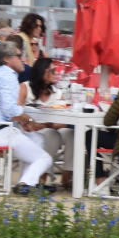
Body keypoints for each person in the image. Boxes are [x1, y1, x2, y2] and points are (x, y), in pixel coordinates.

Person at [0, 42, 54, 194]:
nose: (23, 59)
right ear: (7, 59)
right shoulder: (7, 75)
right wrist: (28, 120)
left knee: (36, 139)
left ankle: (28, 181)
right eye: (18, 56)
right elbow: (10, 109)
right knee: (45, 159)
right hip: (0, 133)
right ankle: (26, 184)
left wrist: (24, 120)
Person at [19, 57, 74, 188]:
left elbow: (65, 119)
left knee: (72, 134)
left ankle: (67, 175)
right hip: (30, 128)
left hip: (52, 126)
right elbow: (17, 110)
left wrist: (46, 125)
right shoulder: (25, 87)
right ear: (42, 72)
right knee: (52, 135)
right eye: (53, 70)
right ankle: (41, 177)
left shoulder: (57, 92)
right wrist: (30, 122)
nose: (56, 73)